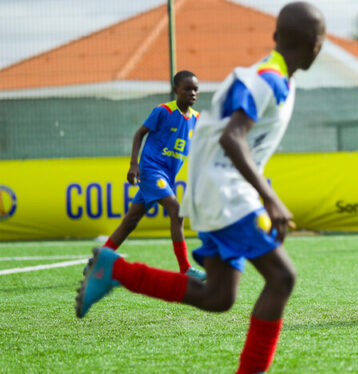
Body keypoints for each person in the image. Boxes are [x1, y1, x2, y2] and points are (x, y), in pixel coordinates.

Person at [76, 3, 325, 373]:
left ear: (275, 37)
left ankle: (117, 271)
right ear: (317, 46)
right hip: (223, 194)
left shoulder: (274, 77)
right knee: (282, 277)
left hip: (218, 190)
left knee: (219, 297)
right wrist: (270, 198)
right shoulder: (267, 80)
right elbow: (231, 138)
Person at [99, 70, 205, 280]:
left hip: (167, 176)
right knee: (176, 211)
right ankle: (185, 269)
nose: (192, 93)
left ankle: (98, 262)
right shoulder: (163, 111)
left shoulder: (197, 118)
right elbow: (140, 133)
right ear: (176, 90)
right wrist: (133, 164)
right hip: (151, 170)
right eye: (187, 88)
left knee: (130, 222)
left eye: (195, 89)